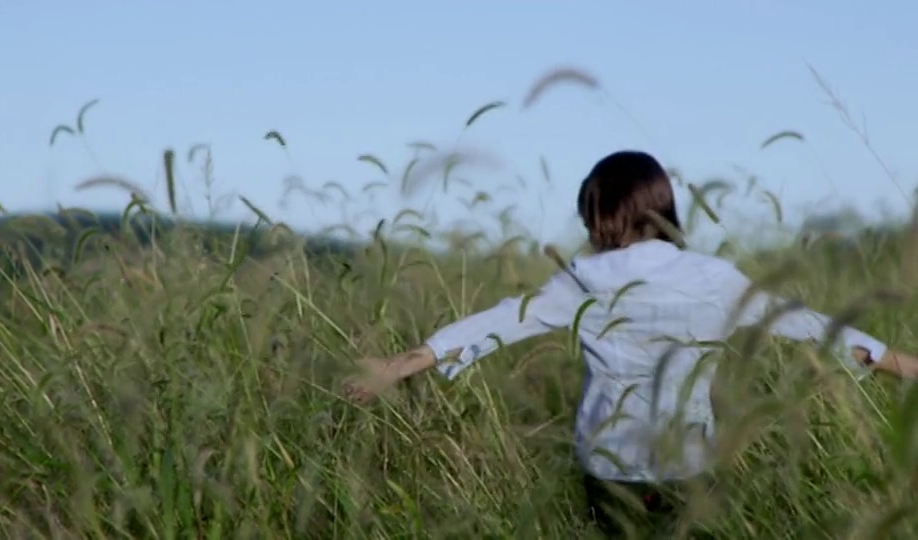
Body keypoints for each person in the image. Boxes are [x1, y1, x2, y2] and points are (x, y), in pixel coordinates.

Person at [341, 150, 918, 536]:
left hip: (610, 465)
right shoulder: (714, 278)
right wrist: (904, 364)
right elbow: (815, 326)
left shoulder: (582, 280)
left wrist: (398, 365)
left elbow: (498, 322)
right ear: (664, 208)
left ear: (600, 217)